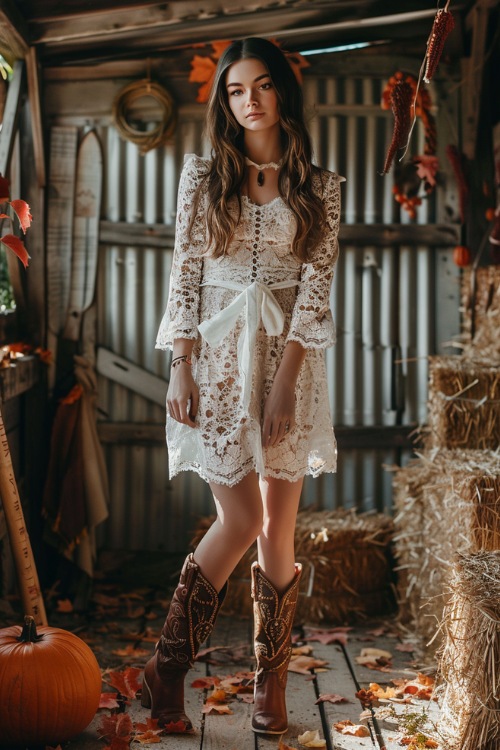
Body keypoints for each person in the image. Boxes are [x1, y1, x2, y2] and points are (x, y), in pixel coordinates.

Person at [142, 37, 342, 736]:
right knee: (242, 519)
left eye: (260, 86)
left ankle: (271, 692)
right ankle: (167, 669)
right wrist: (182, 364)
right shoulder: (202, 178)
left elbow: (315, 296)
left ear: (282, 91)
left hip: (290, 363)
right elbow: (185, 280)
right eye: (234, 90)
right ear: (223, 101)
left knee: (278, 536)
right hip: (220, 363)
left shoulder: (322, 186)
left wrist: (286, 386)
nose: (248, 100)